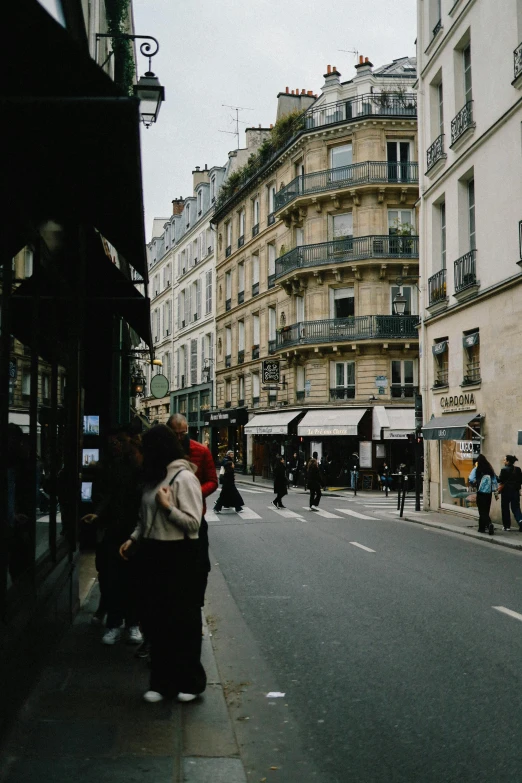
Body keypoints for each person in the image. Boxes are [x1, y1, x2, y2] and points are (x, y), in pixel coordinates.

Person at [120, 424, 206, 703]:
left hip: (179, 555)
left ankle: (190, 682)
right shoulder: (151, 477)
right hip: (152, 553)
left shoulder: (183, 478)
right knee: (155, 619)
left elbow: (193, 524)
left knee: (182, 621)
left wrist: (168, 507)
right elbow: (144, 517)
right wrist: (134, 538)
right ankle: (161, 681)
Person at [82, 428, 143, 645]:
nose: (118, 445)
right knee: (116, 578)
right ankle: (118, 623)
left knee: (130, 579)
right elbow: (109, 495)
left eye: (121, 441)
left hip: (133, 529)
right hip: (117, 528)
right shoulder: (117, 467)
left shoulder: (137, 469)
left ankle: (130, 623)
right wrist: (98, 514)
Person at [167, 414, 218, 607]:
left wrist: (194, 493)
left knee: (200, 566)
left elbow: (213, 481)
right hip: (169, 518)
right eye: (175, 434)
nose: (180, 438)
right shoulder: (164, 452)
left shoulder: (201, 451)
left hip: (196, 517)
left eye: (183, 433)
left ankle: (196, 604)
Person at [468, 454, 497, 534]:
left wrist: (475, 482)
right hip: (488, 493)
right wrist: (495, 491)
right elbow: (494, 481)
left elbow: (471, 478)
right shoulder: (490, 469)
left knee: (481, 511)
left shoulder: (477, 469)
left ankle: (484, 527)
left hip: (480, 492)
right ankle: (486, 526)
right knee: (486, 510)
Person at [498, 455, 522, 532]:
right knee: (516, 508)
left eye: (505, 460)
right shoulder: (518, 469)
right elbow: (520, 481)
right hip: (515, 492)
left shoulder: (504, 470)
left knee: (505, 508)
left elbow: (500, 480)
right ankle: (521, 521)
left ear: (508, 461)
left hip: (506, 492)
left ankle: (507, 526)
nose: (503, 461)